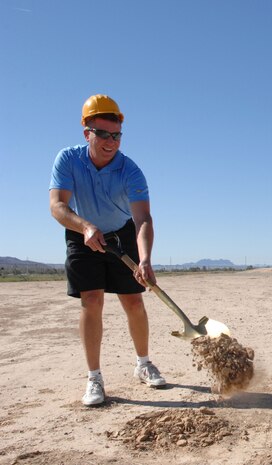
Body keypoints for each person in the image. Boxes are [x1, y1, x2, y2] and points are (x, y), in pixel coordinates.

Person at [49, 94, 166, 406]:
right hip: (80, 232)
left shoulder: (131, 171)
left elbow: (143, 218)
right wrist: (85, 227)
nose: (111, 142)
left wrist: (144, 259)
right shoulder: (68, 160)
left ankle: (143, 363)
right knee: (92, 300)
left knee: (133, 301)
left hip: (122, 233)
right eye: (103, 134)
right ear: (87, 132)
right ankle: (95, 378)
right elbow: (58, 206)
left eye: (116, 135)